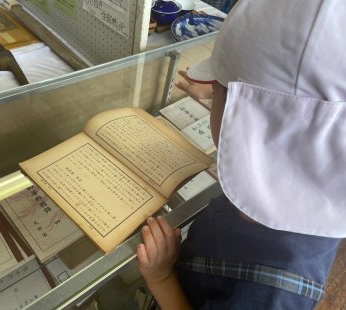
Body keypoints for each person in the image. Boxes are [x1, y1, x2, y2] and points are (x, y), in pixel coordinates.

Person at [137, 0, 346, 309]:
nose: (214, 98)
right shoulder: (310, 188)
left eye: (220, 92)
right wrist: (225, 97)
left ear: (257, 129)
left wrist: (161, 277)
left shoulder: (273, 295)